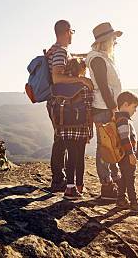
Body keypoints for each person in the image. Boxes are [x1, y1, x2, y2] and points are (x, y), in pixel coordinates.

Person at [46, 20, 93, 193]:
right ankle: (59, 180)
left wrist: (92, 54)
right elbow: (57, 78)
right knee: (61, 140)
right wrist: (81, 79)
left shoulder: (60, 50)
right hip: (60, 103)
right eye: (72, 31)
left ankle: (62, 180)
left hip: (61, 102)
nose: (72, 34)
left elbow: (69, 59)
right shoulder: (59, 51)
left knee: (62, 140)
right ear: (67, 32)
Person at [86, 22, 123, 200]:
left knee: (111, 144)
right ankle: (107, 186)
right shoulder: (98, 58)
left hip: (106, 107)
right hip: (104, 108)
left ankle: (114, 180)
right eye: (113, 38)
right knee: (105, 146)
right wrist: (114, 108)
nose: (115, 42)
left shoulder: (102, 57)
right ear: (106, 40)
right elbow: (103, 86)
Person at [114, 91, 138, 214]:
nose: (135, 110)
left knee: (124, 178)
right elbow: (124, 138)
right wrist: (131, 154)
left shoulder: (119, 118)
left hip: (122, 155)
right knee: (130, 179)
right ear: (125, 104)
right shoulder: (123, 120)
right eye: (134, 106)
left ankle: (121, 200)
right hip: (126, 155)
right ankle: (134, 203)